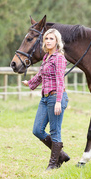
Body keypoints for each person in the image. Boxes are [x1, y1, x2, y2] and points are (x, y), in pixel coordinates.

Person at [22, 28, 70, 170]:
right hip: (45, 98)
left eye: (52, 39)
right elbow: (41, 75)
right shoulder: (46, 57)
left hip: (56, 97)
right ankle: (61, 155)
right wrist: (30, 83)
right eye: (47, 39)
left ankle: (53, 164)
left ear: (57, 42)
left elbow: (60, 80)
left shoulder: (59, 58)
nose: (48, 41)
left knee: (55, 131)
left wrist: (58, 102)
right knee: (37, 130)